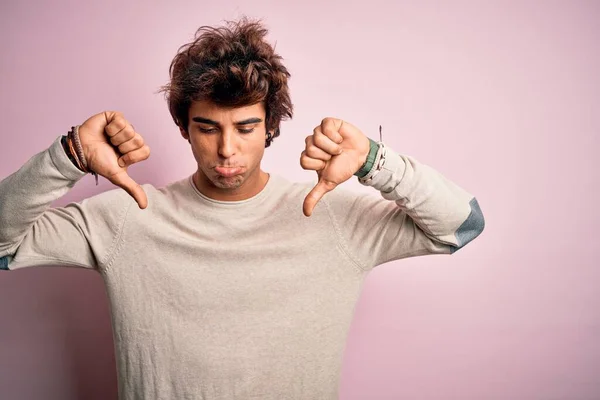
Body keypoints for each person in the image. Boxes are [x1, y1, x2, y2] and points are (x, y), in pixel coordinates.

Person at [0, 17, 484, 400]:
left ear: (271, 127)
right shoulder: (128, 216)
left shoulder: (335, 220)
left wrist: (376, 163)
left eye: (246, 128)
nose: (227, 149)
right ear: (185, 129)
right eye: (208, 128)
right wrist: (68, 157)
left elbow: (460, 225)